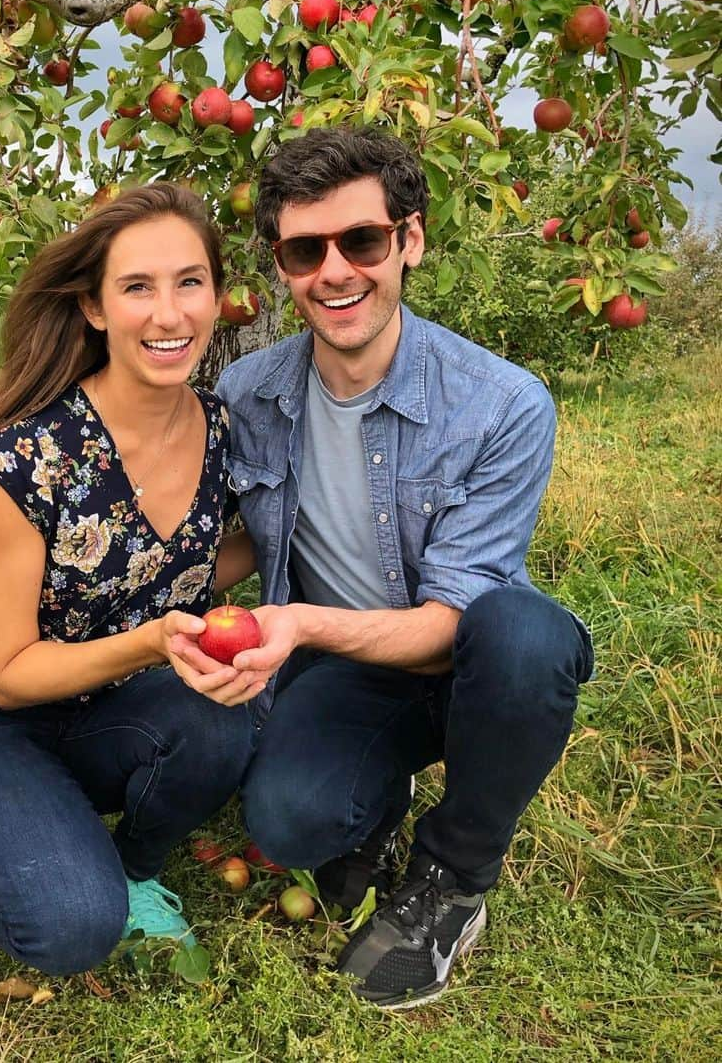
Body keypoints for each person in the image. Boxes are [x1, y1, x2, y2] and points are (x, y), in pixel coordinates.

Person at [171, 128, 594, 1009]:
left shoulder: (501, 403)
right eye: (304, 249)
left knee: (526, 636)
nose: (335, 272)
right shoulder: (250, 395)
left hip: (466, 665)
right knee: (290, 823)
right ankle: (376, 796)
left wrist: (298, 626)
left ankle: (455, 874)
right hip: (352, 672)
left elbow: (451, 614)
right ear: (281, 265)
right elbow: (238, 534)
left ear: (410, 239)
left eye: (361, 241)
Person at [0, 182, 255, 975]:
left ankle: (128, 870)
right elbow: (9, 673)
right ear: (93, 308)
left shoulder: (221, 430)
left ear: (218, 297)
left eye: (190, 282)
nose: (170, 314)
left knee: (228, 721)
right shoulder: (26, 461)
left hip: (97, 710)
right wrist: (155, 642)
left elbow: (182, 565)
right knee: (72, 930)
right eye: (137, 288)